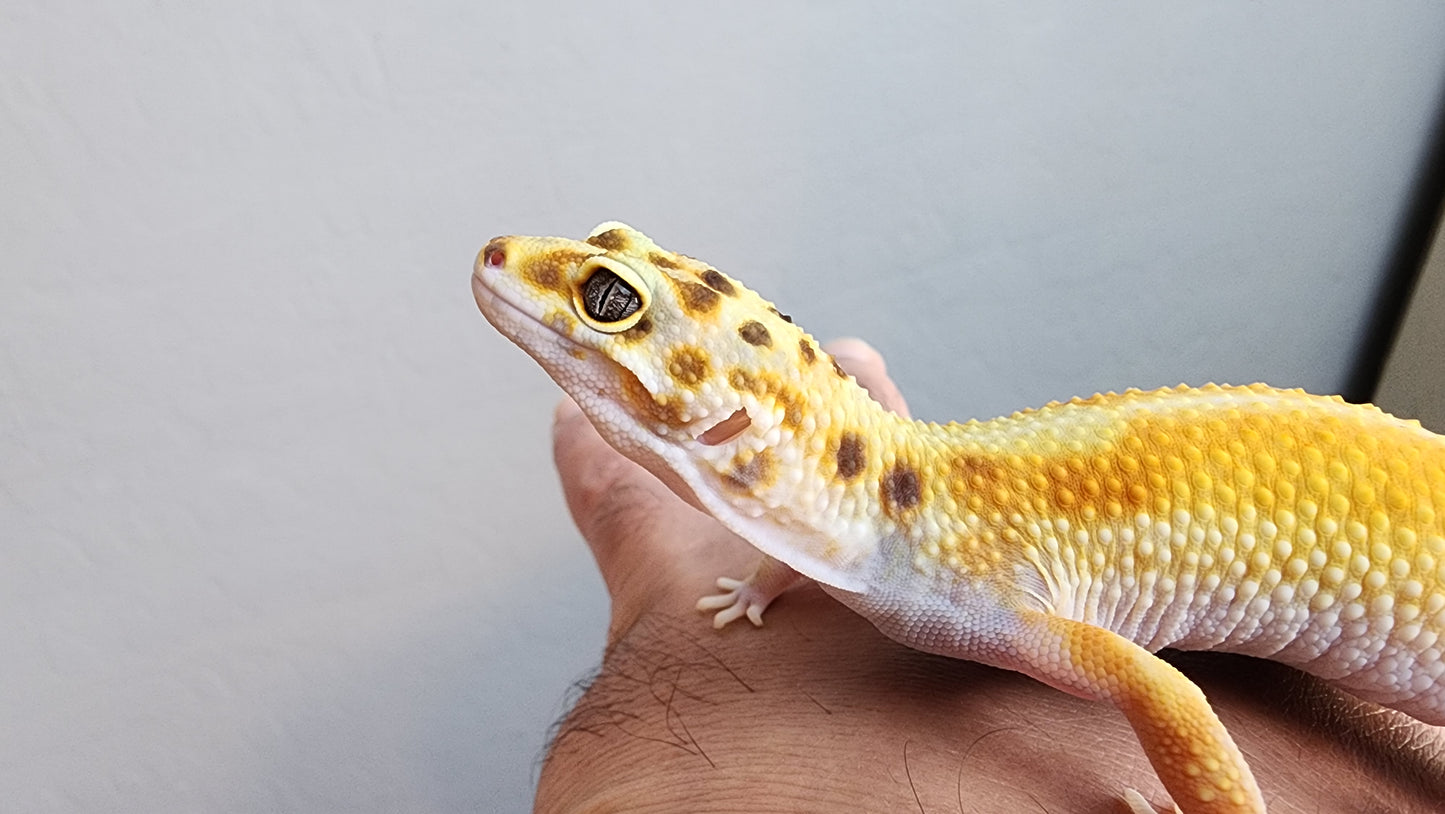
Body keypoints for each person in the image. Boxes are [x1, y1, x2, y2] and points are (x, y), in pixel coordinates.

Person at [533, 339, 1444, 813]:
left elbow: (1160, 691)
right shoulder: (866, 532)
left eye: (612, 303)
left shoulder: (971, 587)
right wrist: (764, 585)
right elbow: (809, 525)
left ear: (733, 422)